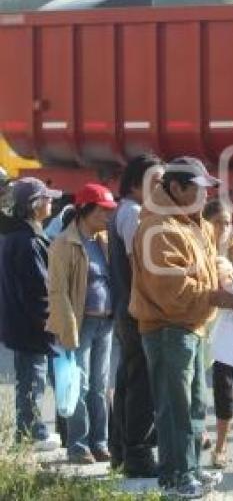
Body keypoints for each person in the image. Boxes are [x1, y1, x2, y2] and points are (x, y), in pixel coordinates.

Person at [130, 156, 233, 499]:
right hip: (169, 328)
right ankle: (176, 476)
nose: (203, 196)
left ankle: (190, 469)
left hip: (190, 327)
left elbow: (210, 265)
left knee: (194, 404)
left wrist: (224, 275)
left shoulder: (190, 224)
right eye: (198, 189)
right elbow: (170, 290)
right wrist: (215, 296)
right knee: (175, 406)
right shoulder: (160, 228)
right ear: (177, 188)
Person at [45, 184, 118, 465]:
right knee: (81, 385)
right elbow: (58, 291)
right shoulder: (64, 243)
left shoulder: (103, 240)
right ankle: (78, 446)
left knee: (100, 386)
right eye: (103, 210)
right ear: (86, 209)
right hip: (81, 323)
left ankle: (100, 443)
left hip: (105, 323)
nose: (108, 215)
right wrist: (68, 329)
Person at [108, 154, 164, 477]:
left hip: (126, 309)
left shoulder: (128, 212)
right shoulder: (132, 214)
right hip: (136, 310)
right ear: (134, 184)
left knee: (128, 379)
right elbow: (138, 265)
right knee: (141, 382)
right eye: (154, 182)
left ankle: (120, 449)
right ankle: (138, 456)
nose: (159, 188)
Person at [0, 178, 62, 450]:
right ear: (35, 205)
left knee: (31, 377)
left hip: (21, 322)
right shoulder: (27, 240)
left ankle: (30, 431)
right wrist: (51, 321)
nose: (51, 202)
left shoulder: (21, 236)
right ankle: (30, 434)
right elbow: (37, 289)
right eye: (46, 199)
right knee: (33, 378)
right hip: (31, 324)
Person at [202, 200, 233, 470]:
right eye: (218, 222)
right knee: (193, 384)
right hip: (199, 322)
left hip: (228, 328)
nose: (223, 228)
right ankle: (199, 429)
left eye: (228, 222)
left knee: (225, 385)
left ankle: (220, 447)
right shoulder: (196, 246)